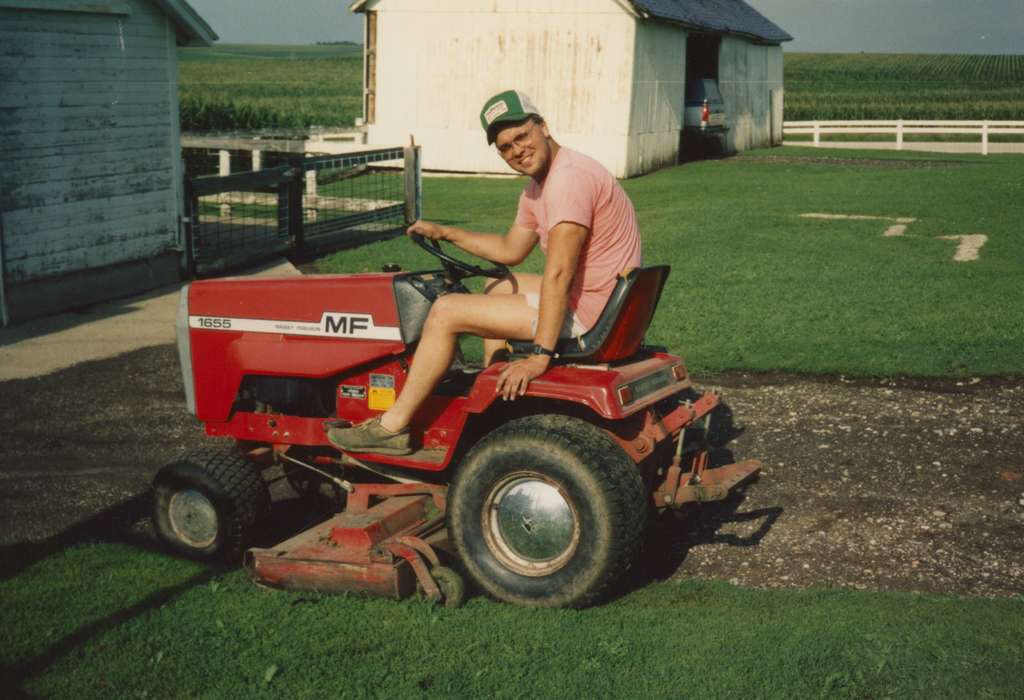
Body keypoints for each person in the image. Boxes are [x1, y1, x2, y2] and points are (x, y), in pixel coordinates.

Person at [328, 89, 641, 455]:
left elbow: (558, 275)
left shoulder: (568, 181)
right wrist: (447, 233)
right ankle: (494, 394)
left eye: (522, 136)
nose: (517, 150)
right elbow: (511, 250)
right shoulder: (541, 185)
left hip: (592, 313)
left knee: (447, 311)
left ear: (542, 126)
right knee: (498, 283)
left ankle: (393, 426)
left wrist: (539, 357)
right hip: (603, 299)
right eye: (506, 147)